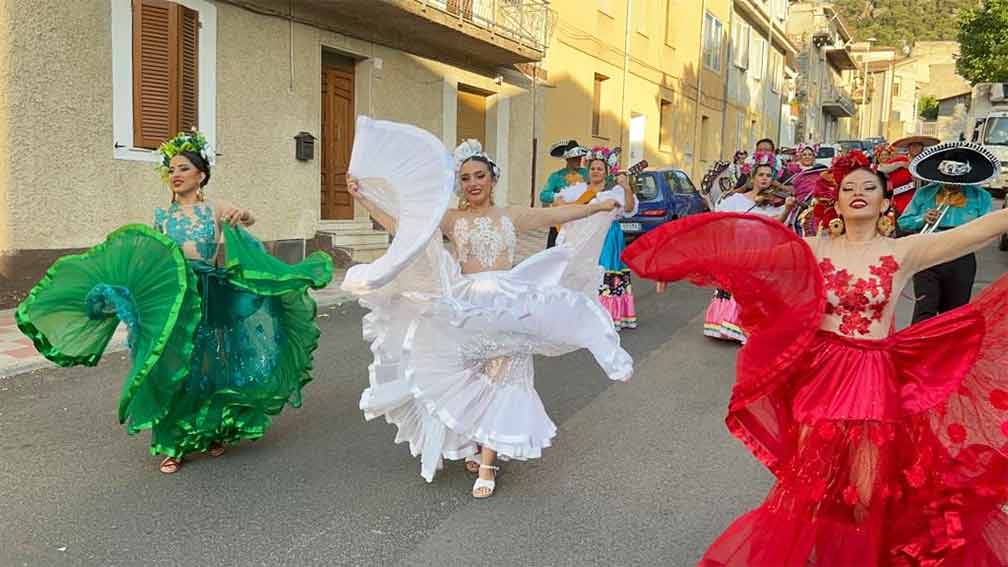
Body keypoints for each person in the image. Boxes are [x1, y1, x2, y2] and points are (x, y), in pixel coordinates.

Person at [623, 149, 1008, 566]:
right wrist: (676, 262)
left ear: (884, 202)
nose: (858, 193)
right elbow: (743, 252)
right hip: (820, 375)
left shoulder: (904, 251)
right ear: (836, 202)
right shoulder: (812, 248)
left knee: (864, 493)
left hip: (873, 379)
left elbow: (980, 230)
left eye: (869, 187)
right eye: (848, 188)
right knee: (812, 485)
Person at [344, 118, 633, 499]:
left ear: (491, 179)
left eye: (479, 175)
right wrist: (364, 198)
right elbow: (405, 229)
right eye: (465, 178)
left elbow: (557, 215)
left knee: (506, 376)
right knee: (474, 377)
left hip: (509, 303)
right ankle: (479, 443)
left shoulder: (511, 215)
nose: (473, 183)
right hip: (465, 306)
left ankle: (487, 462)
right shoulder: (451, 218)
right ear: (459, 184)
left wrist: (596, 207)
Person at [16, 130, 334, 474]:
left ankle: (214, 429)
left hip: (212, 295)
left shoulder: (214, 208)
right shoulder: (162, 217)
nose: (176, 174)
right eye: (171, 169)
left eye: (183, 168)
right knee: (176, 367)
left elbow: (248, 218)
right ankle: (172, 443)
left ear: (201, 175)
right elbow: (154, 259)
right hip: (176, 300)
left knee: (212, 365)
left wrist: (242, 214)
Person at [898, 142, 995, 323]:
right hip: (928, 254)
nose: (951, 186)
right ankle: (919, 350)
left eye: (956, 183)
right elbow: (903, 222)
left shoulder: (981, 196)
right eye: (946, 182)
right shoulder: (924, 193)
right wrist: (922, 219)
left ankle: (949, 351)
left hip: (962, 255)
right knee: (924, 311)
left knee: (954, 314)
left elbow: (989, 229)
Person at [704, 154, 796, 342]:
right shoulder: (735, 199)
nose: (764, 178)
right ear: (753, 177)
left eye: (769, 176)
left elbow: (777, 224)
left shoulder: (772, 203)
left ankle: (749, 329)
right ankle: (730, 324)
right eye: (761, 174)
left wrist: (787, 208)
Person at [554, 147, 639, 330]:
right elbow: (561, 207)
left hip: (607, 238)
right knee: (581, 272)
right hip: (583, 239)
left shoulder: (614, 192)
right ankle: (580, 314)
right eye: (592, 168)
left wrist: (625, 187)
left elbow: (630, 208)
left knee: (603, 273)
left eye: (600, 169)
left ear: (607, 172)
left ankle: (605, 315)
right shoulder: (578, 191)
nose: (595, 172)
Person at [539, 139, 589, 248]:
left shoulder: (587, 174)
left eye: (580, 157)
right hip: (561, 222)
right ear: (568, 159)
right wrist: (557, 197)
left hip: (581, 222)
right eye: (575, 158)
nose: (579, 160)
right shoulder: (556, 176)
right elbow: (543, 195)